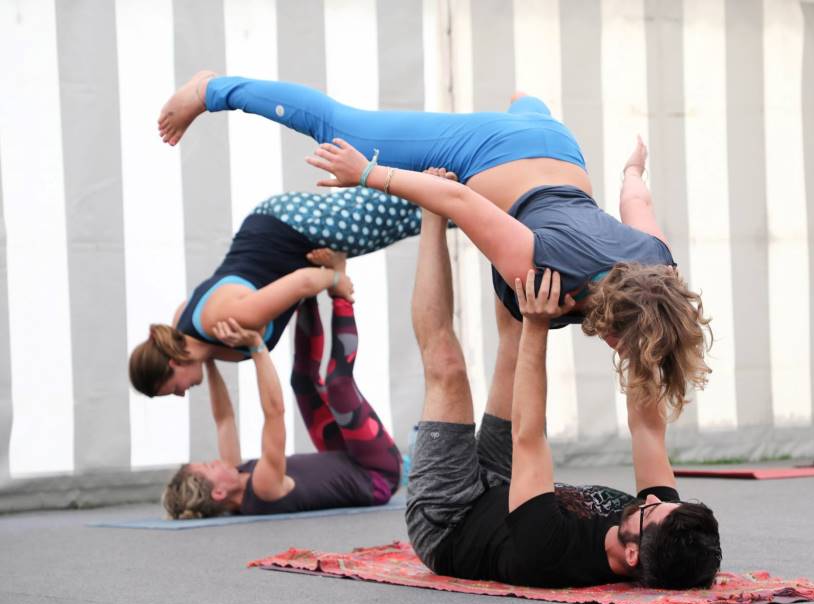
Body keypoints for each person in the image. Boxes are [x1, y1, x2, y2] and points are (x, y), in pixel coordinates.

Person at [158, 72, 712, 419]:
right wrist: (369, 171)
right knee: (335, 125)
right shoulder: (541, 264)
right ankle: (211, 90)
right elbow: (463, 204)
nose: (616, 350)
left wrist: (634, 166)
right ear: (616, 324)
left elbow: (635, 198)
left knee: (528, 116)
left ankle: (527, 102)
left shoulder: (659, 265)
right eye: (623, 345)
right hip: (489, 151)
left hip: (560, 148)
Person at [403, 185, 721, 588]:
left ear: (633, 554)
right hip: (512, 484)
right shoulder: (662, 528)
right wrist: (642, 337)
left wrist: (538, 325)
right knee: (516, 336)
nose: (653, 499)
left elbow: (529, 436)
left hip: (451, 516)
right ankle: (504, 213)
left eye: (652, 511)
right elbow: (648, 430)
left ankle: (431, 217)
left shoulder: (547, 552)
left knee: (448, 370)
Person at [129, 188, 422, 399]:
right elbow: (223, 417)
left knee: (405, 193)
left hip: (291, 226)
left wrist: (337, 280)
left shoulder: (225, 321)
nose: (182, 395)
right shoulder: (190, 330)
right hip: (287, 234)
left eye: (173, 390)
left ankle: (454, 156)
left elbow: (303, 282)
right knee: (418, 217)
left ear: (173, 363)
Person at [162, 292, 401, 519]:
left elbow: (223, 419)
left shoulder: (237, 473)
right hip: (377, 473)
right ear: (219, 493)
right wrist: (257, 347)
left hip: (345, 456)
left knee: (303, 383)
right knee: (338, 385)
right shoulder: (264, 489)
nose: (214, 461)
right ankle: (341, 295)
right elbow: (275, 413)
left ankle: (308, 295)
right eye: (208, 466)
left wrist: (208, 358)